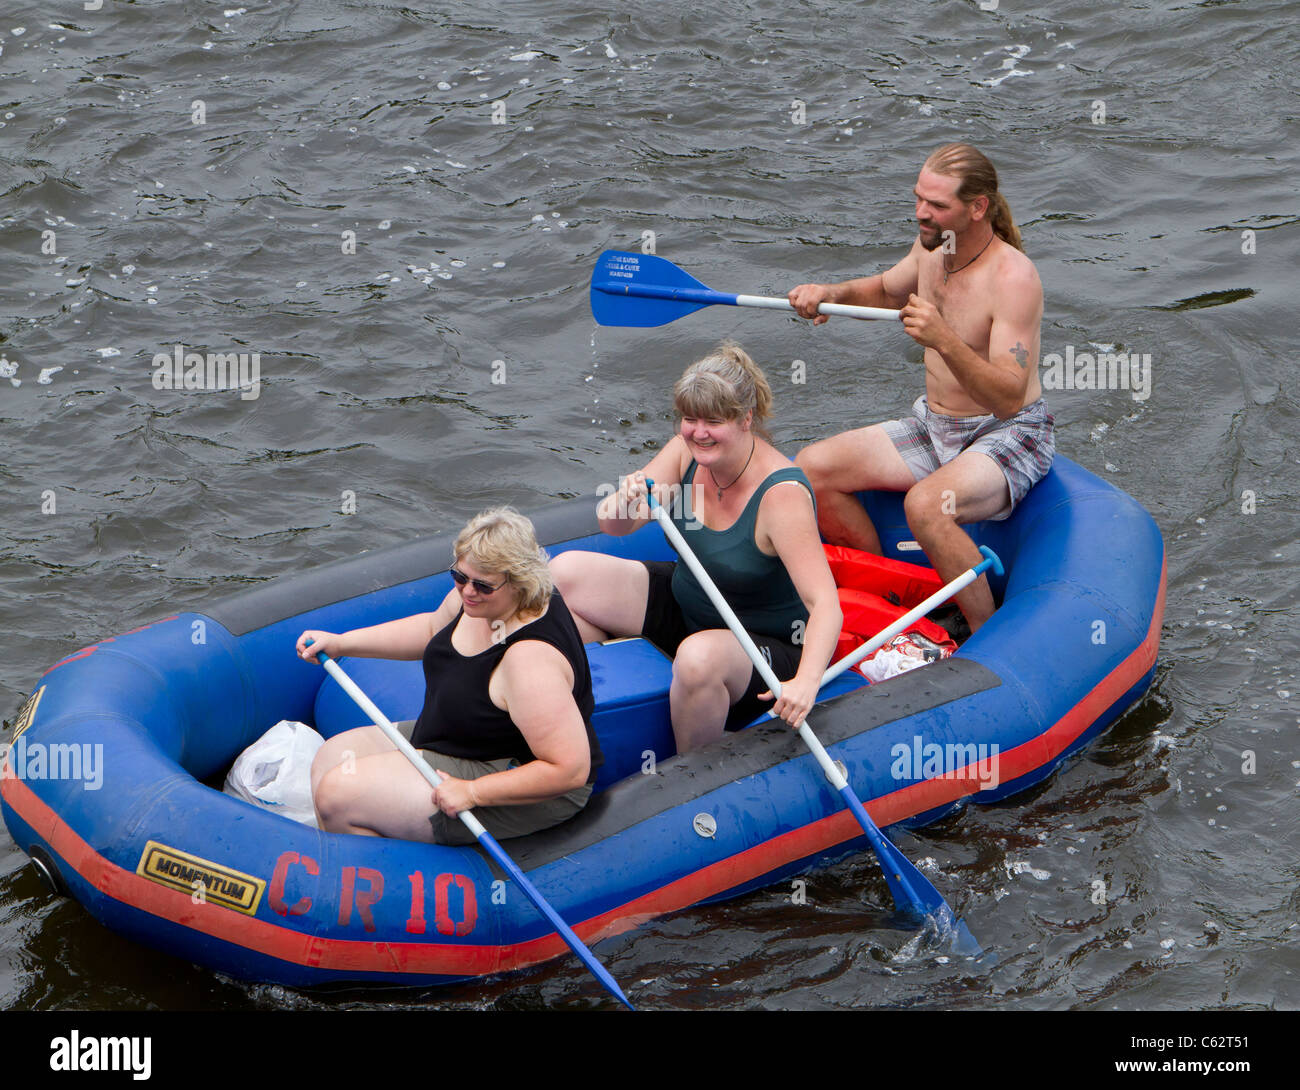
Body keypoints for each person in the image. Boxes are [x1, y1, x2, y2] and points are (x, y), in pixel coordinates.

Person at [789, 141, 1054, 632]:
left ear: (978, 208)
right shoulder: (933, 246)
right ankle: (892, 599)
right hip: (937, 425)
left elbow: (1008, 397)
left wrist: (944, 339)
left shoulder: (1014, 278)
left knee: (927, 506)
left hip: (1008, 432)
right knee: (812, 469)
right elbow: (889, 289)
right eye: (918, 199)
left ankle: (984, 633)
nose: (920, 214)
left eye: (936, 205)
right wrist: (832, 293)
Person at [550, 343, 841, 752]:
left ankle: (693, 768)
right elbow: (616, 526)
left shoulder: (782, 495)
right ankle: (551, 699)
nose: (698, 432)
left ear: (746, 419)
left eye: (713, 421)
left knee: (698, 657)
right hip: (690, 607)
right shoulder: (686, 453)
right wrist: (625, 497)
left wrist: (806, 681)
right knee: (565, 574)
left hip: (763, 646)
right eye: (690, 418)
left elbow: (825, 603)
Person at [297, 507, 603, 845]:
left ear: (520, 582)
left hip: (508, 771)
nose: (468, 591)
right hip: (461, 737)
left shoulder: (529, 662)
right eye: (459, 577)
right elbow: (431, 628)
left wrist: (473, 792)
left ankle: (394, 878)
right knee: (330, 759)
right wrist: (342, 643)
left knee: (338, 795)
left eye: (483, 585)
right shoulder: (479, 599)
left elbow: (571, 770)